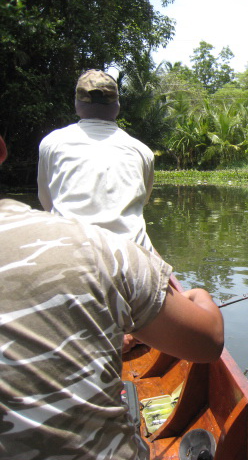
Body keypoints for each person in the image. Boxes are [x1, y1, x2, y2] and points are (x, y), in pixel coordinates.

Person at [0, 134, 224, 459]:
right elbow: (209, 342)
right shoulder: (104, 248)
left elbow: (47, 202)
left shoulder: (52, 142)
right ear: (2, 149)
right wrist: (200, 295)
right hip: (114, 263)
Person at [37, 69, 156, 251]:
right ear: (116, 104)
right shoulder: (142, 151)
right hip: (130, 255)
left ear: (77, 104)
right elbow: (142, 201)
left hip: (70, 252)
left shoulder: (52, 143)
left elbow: (47, 202)